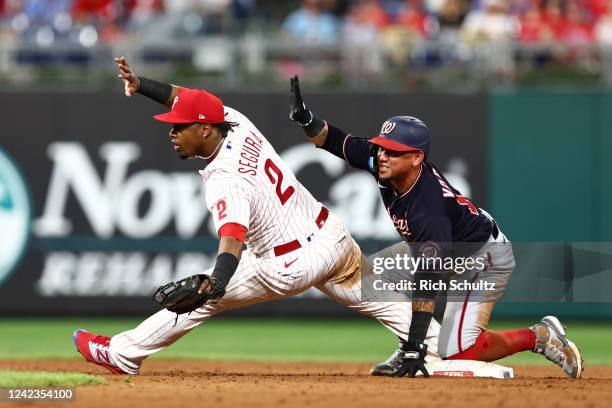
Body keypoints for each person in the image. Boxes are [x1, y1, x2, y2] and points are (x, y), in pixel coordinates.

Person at [70, 57, 441, 375]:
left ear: (204, 129)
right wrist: (142, 85)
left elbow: (232, 235)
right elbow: (187, 99)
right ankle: (447, 348)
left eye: (179, 127)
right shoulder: (235, 121)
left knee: (202, 297)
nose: (172, 132)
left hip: (289, 264)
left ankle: (121, 355)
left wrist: (215, 282)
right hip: (333, 238)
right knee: (392, 306)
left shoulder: (225, 178)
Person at [288, 76, 583, 379]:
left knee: (458, 351)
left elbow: (428, 280)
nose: (382, 154)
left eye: (393, 151)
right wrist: (306, 119)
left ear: (417, 158)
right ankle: (410, 346)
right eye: (382, 147)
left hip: (481, 258)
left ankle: (541, 336)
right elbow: (336, 141)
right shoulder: (383, 162)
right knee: (366, 279)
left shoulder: (428, 207)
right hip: (443, 247)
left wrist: (419, 346)